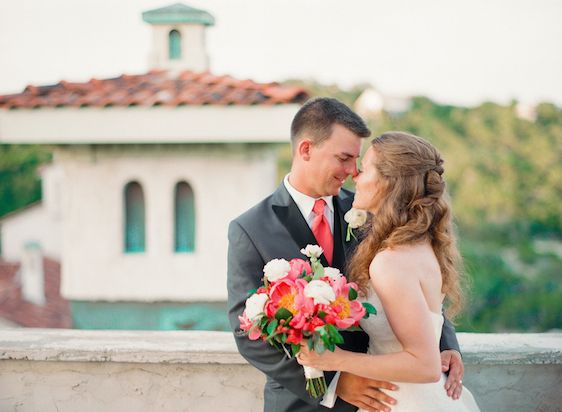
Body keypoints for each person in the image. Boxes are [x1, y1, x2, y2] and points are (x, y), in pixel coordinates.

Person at [227, 98, 463, 412]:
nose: (352, 171)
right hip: (304, 404)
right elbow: (248, 334)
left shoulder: (374, 209)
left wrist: (446, 343)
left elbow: (417, 287)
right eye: (344, 158)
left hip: (390, 395)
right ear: (306, 149)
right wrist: (336, 382)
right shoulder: (251, 228)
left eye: (358, 161)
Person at [296, 131, 480, 411]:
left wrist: (333, 359)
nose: (355, 175)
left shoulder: (391, 261)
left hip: (406, 401)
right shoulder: (418, 241)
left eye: (365, 168)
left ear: (389, 183)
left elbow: (425, 365)